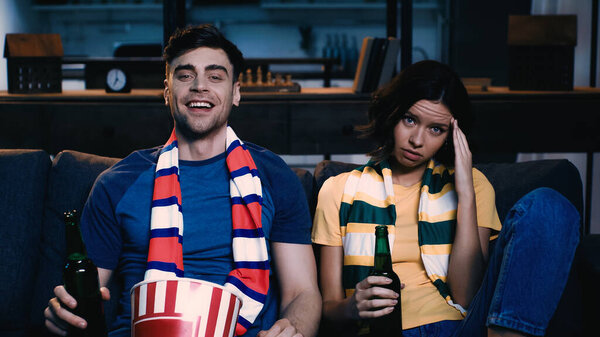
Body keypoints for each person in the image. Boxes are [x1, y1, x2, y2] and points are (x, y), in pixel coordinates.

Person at [45, 24, 321, 337]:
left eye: (215, 76)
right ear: (167, 91)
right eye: (185, 75)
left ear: (236, 92)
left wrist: (295, 329)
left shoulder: (273, 176)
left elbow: (302, 292)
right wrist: (67, 314)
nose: (199, 86)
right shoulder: (117, 183)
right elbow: (87, 295)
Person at [312, 60, 580, 337]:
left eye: (435, 129)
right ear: (392, 114)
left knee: (549, 205)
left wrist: (465, 194)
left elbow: (466, 295)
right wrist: (351, 307)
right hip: (385, 330)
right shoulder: (339, 189)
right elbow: (329, 308)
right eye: (410, 119)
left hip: (462, 327)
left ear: (451, 135)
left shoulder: (474, 186)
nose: (417, 140)